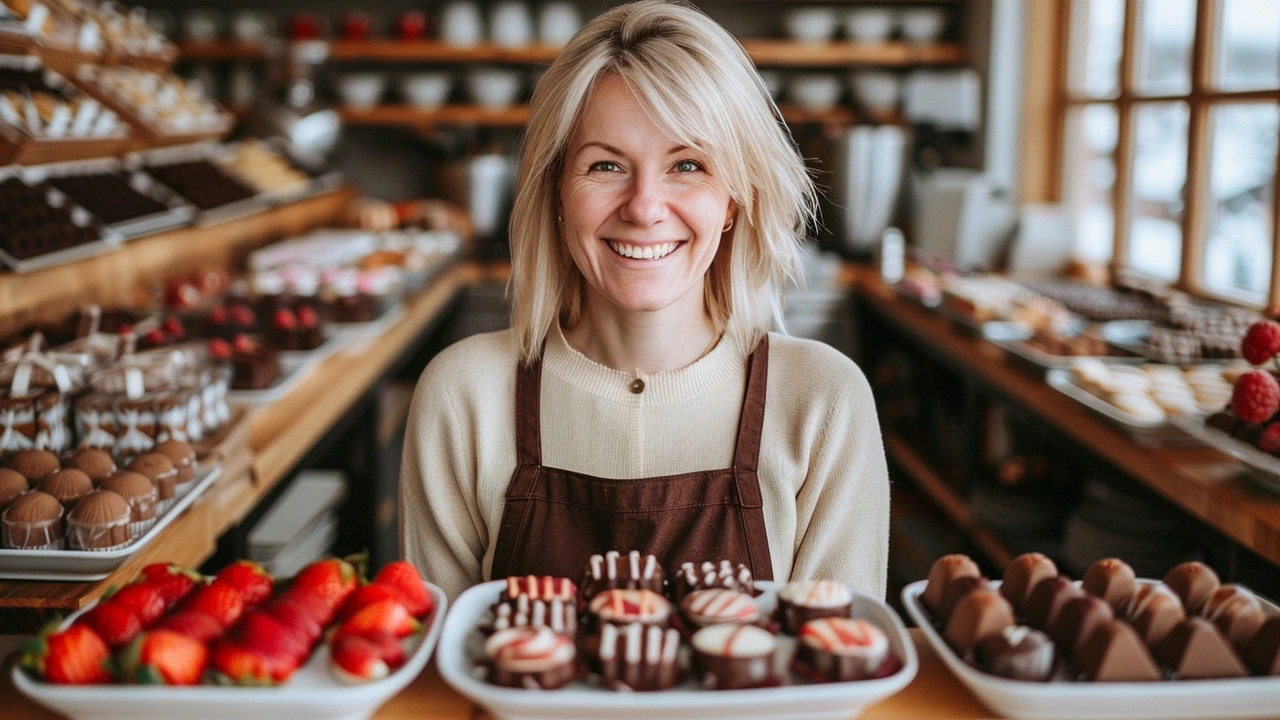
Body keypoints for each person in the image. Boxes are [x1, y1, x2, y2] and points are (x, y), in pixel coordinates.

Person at [400, 0, 889, 601]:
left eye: (687, 165)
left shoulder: (824, 403)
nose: (644, 207)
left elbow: (833, 672)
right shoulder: (463, 397)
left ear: (733, 198)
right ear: (555, 189)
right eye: (606, 165)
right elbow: (439, 680)